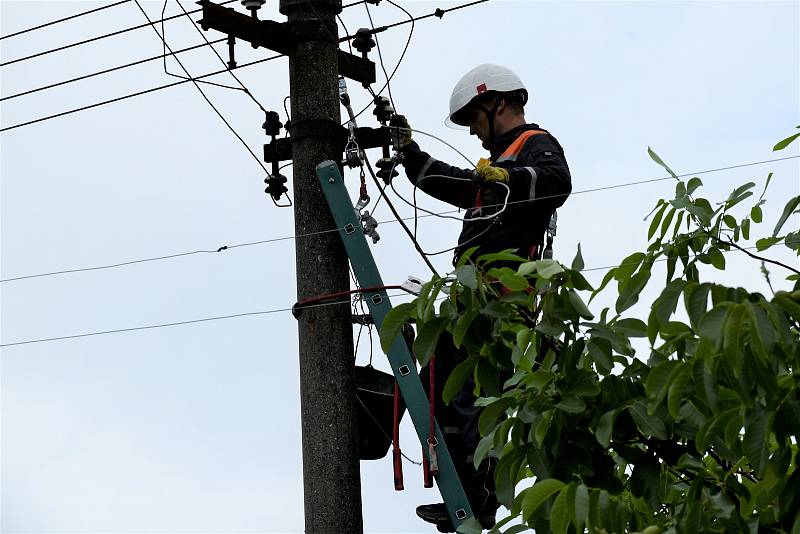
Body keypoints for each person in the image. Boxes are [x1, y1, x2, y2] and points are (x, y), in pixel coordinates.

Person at [393, 64, 572, 532]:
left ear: (496, 103)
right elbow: (454, 184)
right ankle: (461, 492)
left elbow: (558, 183)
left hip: (505, 294)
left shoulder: (535, 144)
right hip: (471, 299)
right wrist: (410, 154)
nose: (473, 132)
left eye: (474, 119)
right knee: (442, 383)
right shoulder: (490, 171)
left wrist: (508, 179)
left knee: (477, 394)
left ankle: (481, 501)